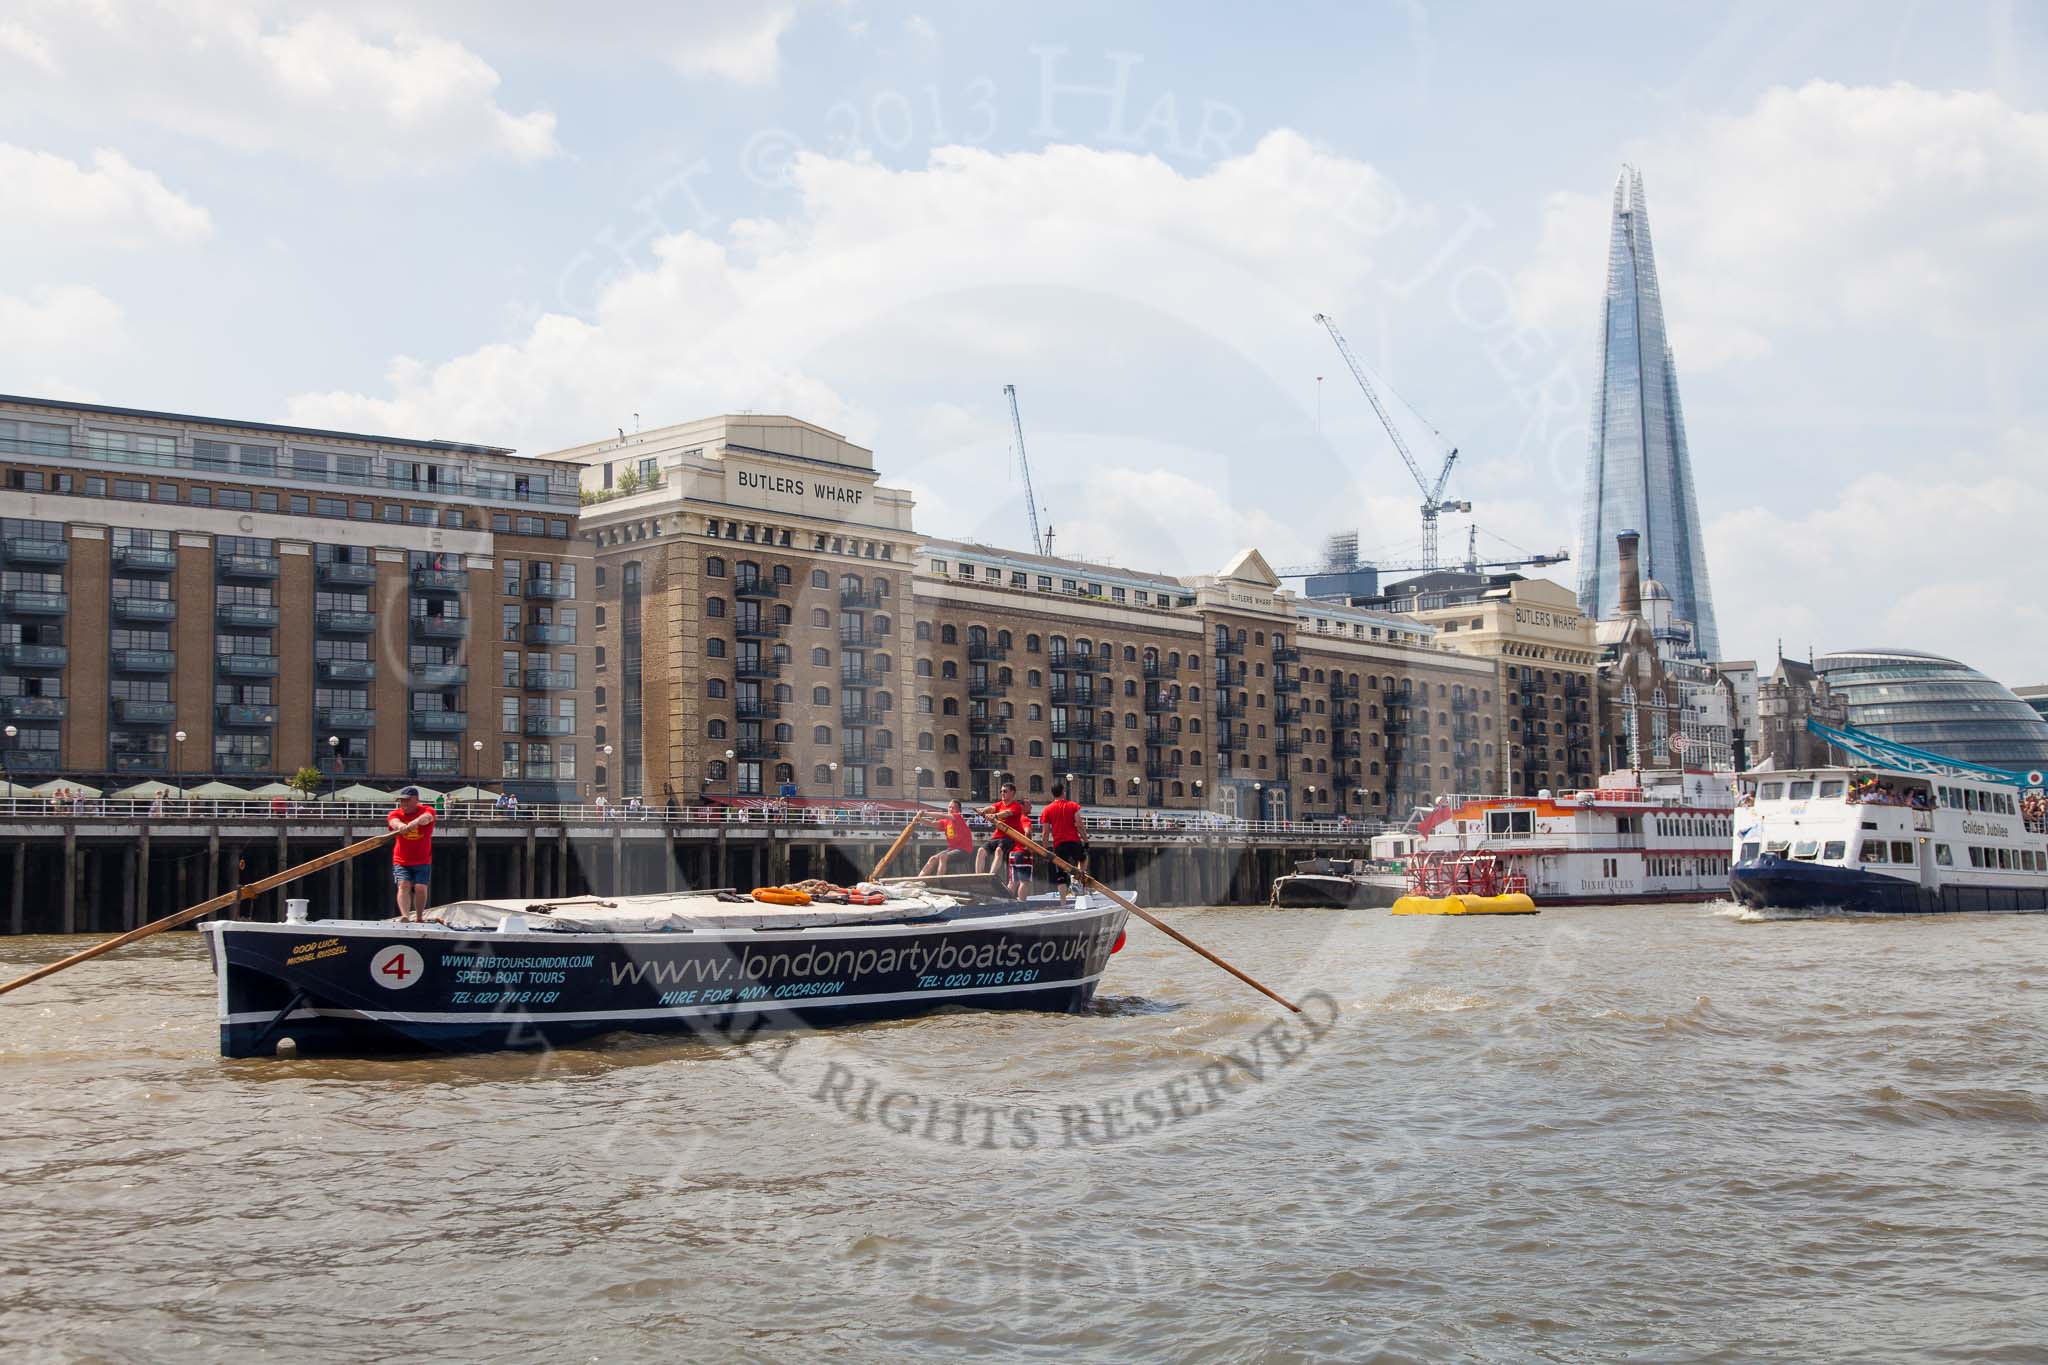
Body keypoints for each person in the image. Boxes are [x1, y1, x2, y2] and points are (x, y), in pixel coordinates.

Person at [387, 785, 436, 922]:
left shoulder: (427, 810)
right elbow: (393, 822)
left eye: (407, 800)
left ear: (416, 800)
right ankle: (405, 916)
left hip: (423, 859)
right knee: (404, 884)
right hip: (401, 860)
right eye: (402, 801)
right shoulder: (396, 813)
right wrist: (401, 826)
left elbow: (427, 817)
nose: (404, 804)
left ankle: (419, 917)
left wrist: (416, 822)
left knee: (420, 887)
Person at [1038, 783, 1089, 889]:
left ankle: (1063, 901)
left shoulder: (1047, 809)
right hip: (1074, 841)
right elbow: (1079, 824)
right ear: (1063, 792)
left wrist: (1045, 849)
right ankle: (1078, 878)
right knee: (1083, 858)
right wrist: (1086, 840)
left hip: (1059, 844)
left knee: (1061, 873)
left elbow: (1045, 832)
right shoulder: (1073, 806)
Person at [976, 781, 1031, 875]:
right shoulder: (999, 804)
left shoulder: (1016, 806)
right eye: (1001, 791)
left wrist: (995, 816)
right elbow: (991, 808)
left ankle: (991, 874)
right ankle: (978, 876)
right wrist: (983, 810)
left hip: (1009, 837)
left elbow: (1006, 813)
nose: (1002, 793)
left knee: (998, 850)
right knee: (981, 851)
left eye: (1005, 791)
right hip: (997, 837)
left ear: (1012, 793)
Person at [918, 799, 977, 876]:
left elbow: (942, 815)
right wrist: (919, 819)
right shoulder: (945, 821)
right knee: (933, 859)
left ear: (958, 810)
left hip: (964, 850)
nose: (950, 809)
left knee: (943, 857)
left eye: (953, 807)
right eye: (949, 807)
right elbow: (931, 823)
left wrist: (925, 813)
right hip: (951, 849)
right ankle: (919, 879)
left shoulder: (958, 816)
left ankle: (938, 879)